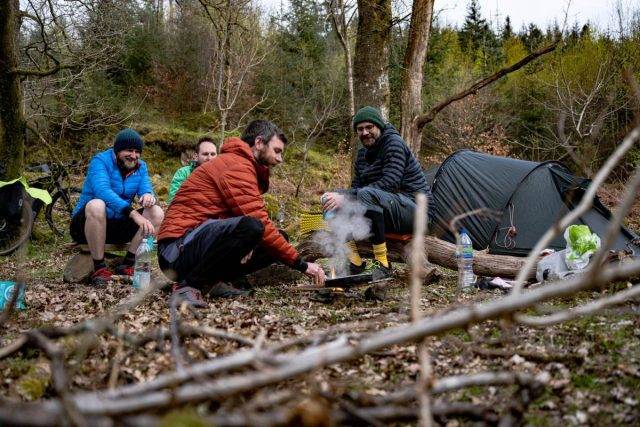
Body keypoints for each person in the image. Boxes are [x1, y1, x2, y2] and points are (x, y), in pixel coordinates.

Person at [157, 120, 325, 306]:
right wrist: (301, 265)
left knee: (277, 238)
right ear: (259, 143)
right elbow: (257, 221)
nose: (279, 159)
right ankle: (188, 286)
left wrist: (248, 242)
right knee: (253, 227)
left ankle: (215, 282)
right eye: (277, 151)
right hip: (175, 252)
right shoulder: (236, 165)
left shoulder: (241, 164)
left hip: (195, 243)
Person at [321, 106, 434, 279]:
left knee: (364, 194)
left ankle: (383, 264)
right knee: (331, 197)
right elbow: (356, 187)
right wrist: (337, 197)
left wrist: (347, 196)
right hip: (387, 209)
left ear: (379, 126)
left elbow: (390, 183)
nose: (365, 132)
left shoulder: (394, 144)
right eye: (360, 129)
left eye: (369, 127)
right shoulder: (361, 155)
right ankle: (355, 262)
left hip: (417, 212)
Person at [71, 128, 164, 286]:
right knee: (97, 204)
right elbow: (102, 191)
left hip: (117, 225)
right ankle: (99, 268)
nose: (133, 155)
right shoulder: (100, 161)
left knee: (156, 212)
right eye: (129, 150)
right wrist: (133, 214)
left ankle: (128, 264)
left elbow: (146, 188)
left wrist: (148, 196)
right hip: (86, 224)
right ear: (117, 150)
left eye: (137, 151)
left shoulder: (140, 167)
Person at [167, 137, 217, 203]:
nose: (209, 158)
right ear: (196, 156)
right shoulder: (183, 173)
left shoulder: (222, 174)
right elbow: (174, 199)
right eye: (205, 154)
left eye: (213, 154)